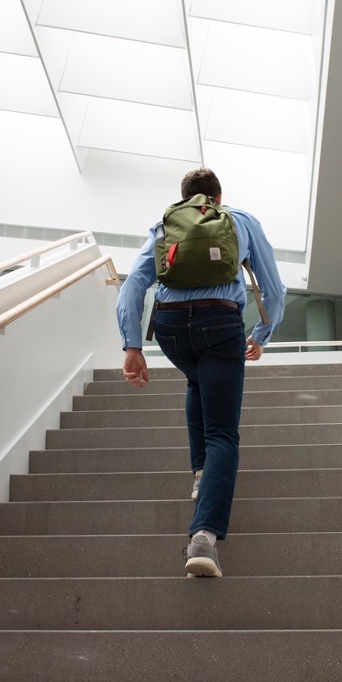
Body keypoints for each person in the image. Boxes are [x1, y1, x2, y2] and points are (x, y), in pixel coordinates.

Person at [115, 168, 285, 578]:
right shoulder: (241, 221)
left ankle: (199, 471)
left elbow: (133, 286)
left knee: (196, 378)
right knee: (222, 432)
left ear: (184, 197)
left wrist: (132, 345)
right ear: (218, 197)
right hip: (220, 324)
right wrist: (262, 333)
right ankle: (203, 538)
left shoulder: (164, 226)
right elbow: (274, 288)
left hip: (172, 330)